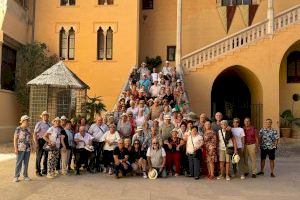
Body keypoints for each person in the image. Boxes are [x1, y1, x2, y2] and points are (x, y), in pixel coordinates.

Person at [13, 115, 31, 182]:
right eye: (27, 121)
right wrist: (15, 148)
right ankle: (16, 176)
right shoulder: (18, 129)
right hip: (20, 148)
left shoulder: (28, 129)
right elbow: (15, 139)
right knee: (19, 162)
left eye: (28, 121)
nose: (28, 122)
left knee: (26, 163)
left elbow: (30, 137)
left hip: (28, 149)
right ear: (23, 121)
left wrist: (31, 144)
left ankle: (25, 175)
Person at [33, 111, 51, 176]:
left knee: (46, 156)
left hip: (47, 141)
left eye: (46, 115)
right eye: (44, 115)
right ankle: (37, 171)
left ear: (48, 116)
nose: (45, 116)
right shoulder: (39, 123)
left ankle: (44, 170)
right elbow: (34, 133)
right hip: (40, 141)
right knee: (39, 156)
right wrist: (36, 142)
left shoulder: (49, 124)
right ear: (42, 116)